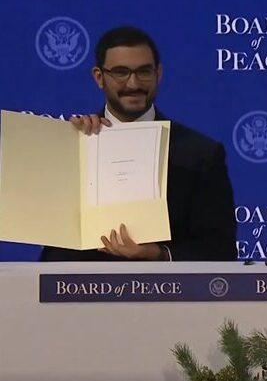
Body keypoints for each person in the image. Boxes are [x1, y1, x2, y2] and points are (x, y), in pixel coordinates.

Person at [40, 26, 237, 261]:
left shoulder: (200, 153)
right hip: (82, 283)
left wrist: (160, 255)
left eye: (144, 72)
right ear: (99, 77)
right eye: (121, 72)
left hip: (167, 284)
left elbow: (220, 249)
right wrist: (72, 145)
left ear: (158, 74)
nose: (133, 84)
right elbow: (53, 250)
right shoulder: (73, 145)